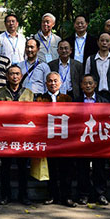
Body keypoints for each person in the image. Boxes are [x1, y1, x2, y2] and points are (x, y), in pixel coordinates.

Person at [0, 65, 34, 206]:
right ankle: (5, 195)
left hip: (23, 136)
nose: (15, 76)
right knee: (5, 168)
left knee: (23, 168)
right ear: (7, 76)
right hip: (5, 135)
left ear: (21, 76)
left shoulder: (29, 94)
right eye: (12, 74)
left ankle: (23, 195)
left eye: (17, 74)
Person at [36, 72, 76, 208]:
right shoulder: (40, 99)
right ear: (46, 83)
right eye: (50, 81)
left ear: (60, 83)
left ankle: (67, 197)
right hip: (48, 138)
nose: (53, 83)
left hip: (64, 139)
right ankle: (52, 195)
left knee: (66, 169)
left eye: (55, 81)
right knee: (51, 169)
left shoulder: (67, 99)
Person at [77, 74, 110, 206]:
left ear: (95, 85)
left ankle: (100, 194)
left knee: (99, 168)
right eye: (85, 83)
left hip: (99, 139)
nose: (88, 85)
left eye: (90, 83)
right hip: (82, 140)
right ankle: (83, 195)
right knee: (82, 169)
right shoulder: (75, 102)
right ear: (81, 86)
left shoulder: (104, 101)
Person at [85, 32, 110, 97]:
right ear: (98, 42)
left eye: (107, 41)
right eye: (102, 41)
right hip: (95, 95)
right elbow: (86, 78)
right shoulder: (90, 59)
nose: (104, 43)